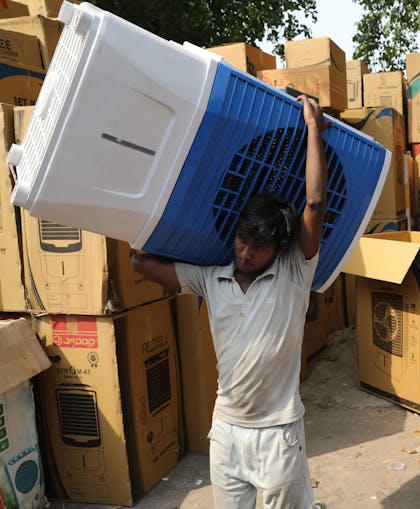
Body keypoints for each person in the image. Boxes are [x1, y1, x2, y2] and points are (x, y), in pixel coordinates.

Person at [131, 96, 328, 509]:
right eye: (242, 240)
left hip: (278, 433)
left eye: (259, 247)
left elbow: (314, 204)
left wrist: (313, 129)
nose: (246, 253)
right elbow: (144, 263)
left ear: (279, 248)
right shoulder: (209, 278)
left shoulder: (294, 273)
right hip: (226, 432)